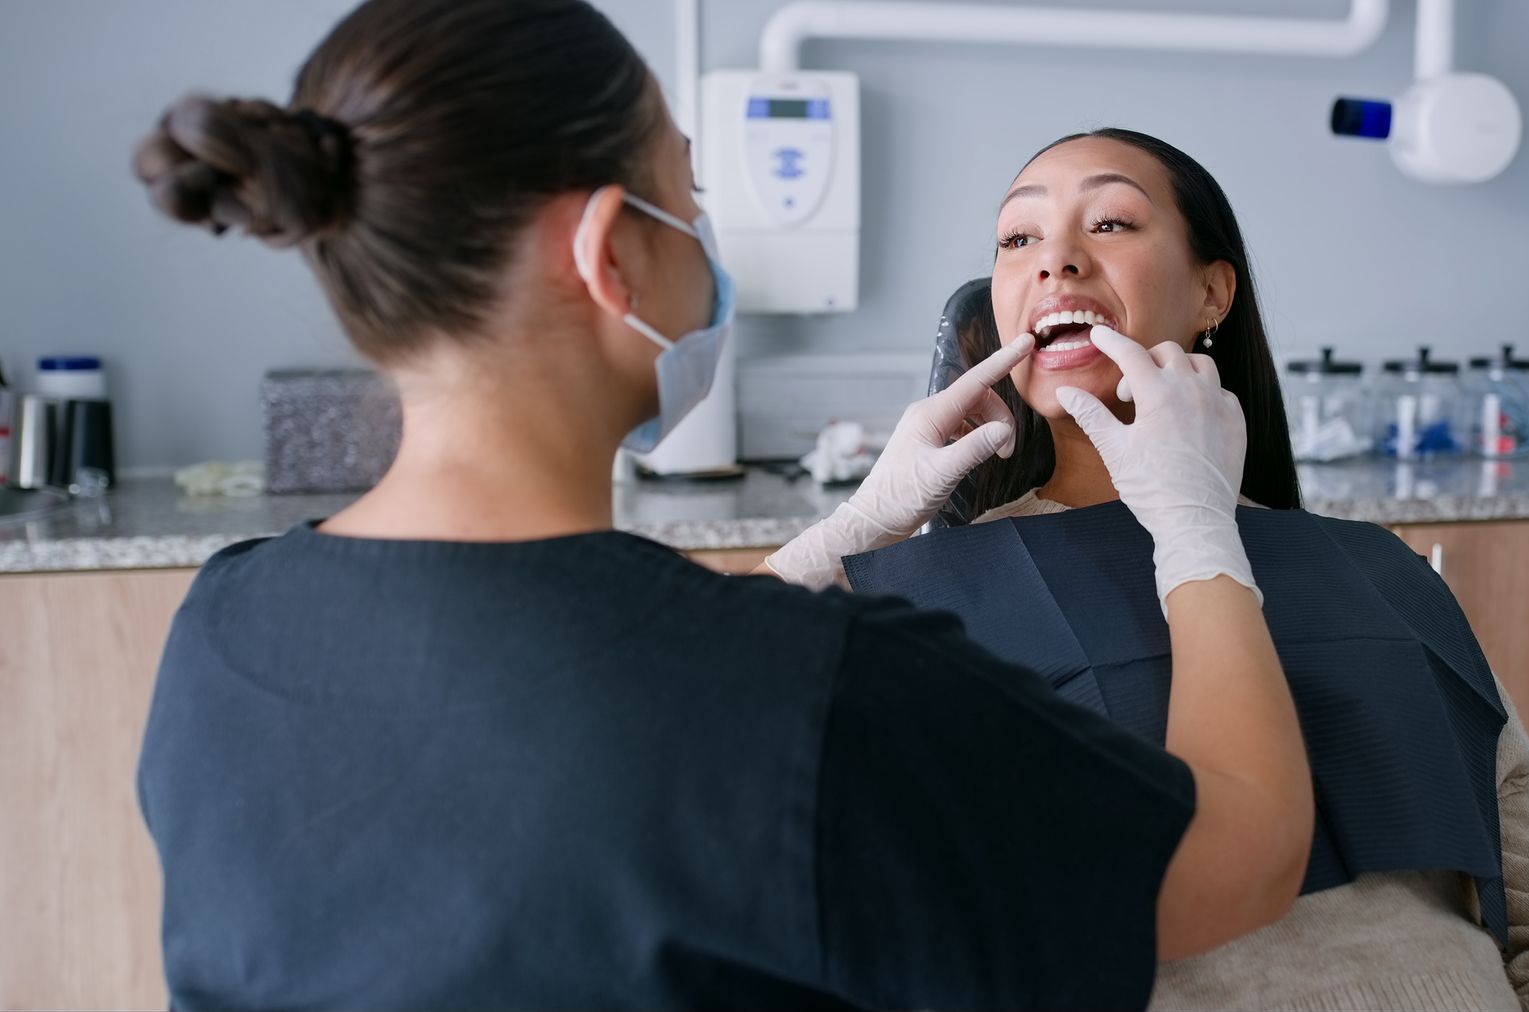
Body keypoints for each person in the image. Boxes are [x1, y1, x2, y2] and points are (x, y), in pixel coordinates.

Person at [130, 3, 1315, 1008]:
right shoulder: (815, 691)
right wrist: (1199, 528)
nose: (705, 237)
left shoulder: (226, 622)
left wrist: (848, 532)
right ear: (611, 253)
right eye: (686, 194)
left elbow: (589, 707)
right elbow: (1243, 853)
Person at [813, 127, 1529, 1011]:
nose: (1056, 261)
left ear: (1212, 293)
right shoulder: (936, 600)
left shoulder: (1378, 570)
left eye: (1109, 223)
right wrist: (848, 531)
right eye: (1018, 239)